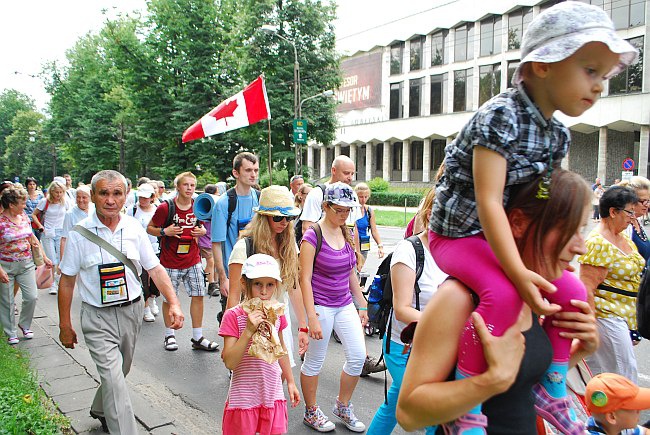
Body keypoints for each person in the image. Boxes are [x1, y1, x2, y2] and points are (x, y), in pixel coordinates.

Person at [426, 3, 637, 432]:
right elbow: (489, 202)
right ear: (542, 66)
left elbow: (539, 203)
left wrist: (552, 257)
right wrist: (521, 273)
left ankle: (553, 386)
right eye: (589, 70)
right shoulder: (499, 116)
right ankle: (468, 400)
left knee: (572, 287)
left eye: (603, 76)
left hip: (503, 238)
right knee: (503, 294)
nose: (598, 86)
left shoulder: (556, 134)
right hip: (460, 237)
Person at [397, 169, 599, 434]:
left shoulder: (532, 295)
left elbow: (518, 383)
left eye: (581, 230)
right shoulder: (459, 298)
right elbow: (409, 414)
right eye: (568, 230)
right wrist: (488, 382)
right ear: (518, 223)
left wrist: (580, 350)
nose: (580, 247)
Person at [57, 170, 184, 434]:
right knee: (115, 382)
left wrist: (174, 303)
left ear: (126, 195)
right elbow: (67, 281)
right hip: (97, 316)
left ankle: (100, 408)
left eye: (117, 193)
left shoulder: (134, 227)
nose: (111, 200)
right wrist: (64, 324)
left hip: (131, 312)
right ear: (92, 196)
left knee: (120, 371)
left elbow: (155, 269)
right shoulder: (79, 234)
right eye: (104, 193)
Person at [366, 188, 446, 435]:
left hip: (437, 349)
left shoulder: (454, 253)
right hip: (404, 349)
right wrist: (449, 324)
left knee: (393, 405)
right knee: (434, 415)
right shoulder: (409, 250)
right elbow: (402, 310)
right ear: (432, 215)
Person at [299, 182, 368, 433]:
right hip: (321, 305)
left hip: (344, 303)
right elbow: (303, 279)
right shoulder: (312, 235)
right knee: (315, 361)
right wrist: (311, 319)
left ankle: (343, 405)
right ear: (325, 206)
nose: (344, 214)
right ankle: (311, 411)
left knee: (358, 356)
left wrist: (363, 305)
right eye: (339, 209)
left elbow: (352, 275)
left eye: (348, 210)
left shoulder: (345, 231)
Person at [227, 185, 308, 367]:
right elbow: (233, 295)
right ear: (263, 218)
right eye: (278, 217)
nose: (284, 222)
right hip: (251, 320)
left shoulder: (289, 246)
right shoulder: (244, 247)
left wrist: (303, 325)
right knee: (253, 379)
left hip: (280, 319)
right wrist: (232, 335)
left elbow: (293, 288)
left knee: (280, 377)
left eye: (289, 217)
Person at [219, 254, 300, 435]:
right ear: (244, 283)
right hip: (244, 397)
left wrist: (291, 382)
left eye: (270, 285)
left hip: (272, 392)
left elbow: (282, 349)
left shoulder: (278, 313)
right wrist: (248, 331)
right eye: (257, 284)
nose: (264, 291)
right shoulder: (233, 316)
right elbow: (230, 362)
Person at [579, 186, 645, 383]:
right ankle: (622, 412)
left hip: (623, 316)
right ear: (613, 211)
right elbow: (587, 288)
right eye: (629, 212)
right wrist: (589, 326)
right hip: (606, 316)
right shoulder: (598, 242)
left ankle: (603, 413)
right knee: (624, 375)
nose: (632, 217)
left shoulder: (623, 236)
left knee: (606, 374)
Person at [148, 172, 216, 352]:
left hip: (193, 259)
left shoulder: (198, 206)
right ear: (178, 187)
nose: (189, 188)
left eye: (192, 185)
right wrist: (165, 232)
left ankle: (197, 336)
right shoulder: (166, 207)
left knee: (199, 294)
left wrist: (201, 232)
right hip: (170, 261)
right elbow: (150, 228)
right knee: (168, 299)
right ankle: (169, 335)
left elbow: (202, 226)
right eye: (186, 185)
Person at [0, 184, 52, 345]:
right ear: (11, 204)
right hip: (6, 265)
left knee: (31, 296)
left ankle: (24, 324)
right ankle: (10, 332)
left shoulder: (23, 217)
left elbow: (32, 237)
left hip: (26, 263)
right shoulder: (1, 222)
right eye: (22, 203)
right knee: (7, 301)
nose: (24, 206)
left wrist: (44, 257)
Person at [211, 152, 260, 320]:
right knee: (233, 323)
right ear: (236, 173)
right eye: (248, 170)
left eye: (256, 170)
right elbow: (216, 244)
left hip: (257, 273)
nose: (253, 174)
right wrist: (223, 278)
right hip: (233, 274)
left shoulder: (259, 198)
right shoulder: (224, 202)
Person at [127, 182, 159, 322]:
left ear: (152, 197)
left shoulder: (158, 209)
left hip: (155, 248)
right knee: (143, 278)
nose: (143, 200)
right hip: (137, 250)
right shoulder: (132, 210)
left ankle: (152, 299)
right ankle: (145, 307)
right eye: (141, 197)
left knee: (155, 279)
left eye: (146, 197)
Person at [32, 179, 69, 295]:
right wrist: (40, 226)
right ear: (51, 191)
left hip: (61, 231)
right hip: (48, 232)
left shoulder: (65, 202)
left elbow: (70, 214)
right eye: (56, 192)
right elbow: (34, 214)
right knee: (52, 260)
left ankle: (57, 280)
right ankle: (53, 284)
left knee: (60, 258)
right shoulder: (45, 201)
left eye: (61, 192)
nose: (59, 195)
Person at [585, 373, 650, 435]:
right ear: (612, 417)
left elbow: (646, 431)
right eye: (635, 407)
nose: (640, 409)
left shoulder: (618, 426)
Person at [619, 176, 650, 262]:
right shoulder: (624, 226)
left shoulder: (637, 220)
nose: (647, 205)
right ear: (631, 201)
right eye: (643, 201)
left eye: (648, 201)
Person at [60, 185, 93, 261]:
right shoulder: (70, 214)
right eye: (78, 197)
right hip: (78, 252)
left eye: (84, 197)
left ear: (90, 198)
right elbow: (64, 238)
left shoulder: (95, 209)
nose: (81, 200)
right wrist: (62, 261)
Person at [353, 182, 384, 260]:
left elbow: (374, 230)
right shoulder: (351, 210)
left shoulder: (369, 211)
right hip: (352, 244)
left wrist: (380, 245)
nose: (363, 200)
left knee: (360, 268)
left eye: (366, 197)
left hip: (364, 243)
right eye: (360, 197)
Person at [199, 184, 219, 297]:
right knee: (211, 261)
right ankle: (211, 283)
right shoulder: (205, 205)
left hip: (212, 238)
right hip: (205, 239)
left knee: (216, 262)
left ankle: (215, 282)